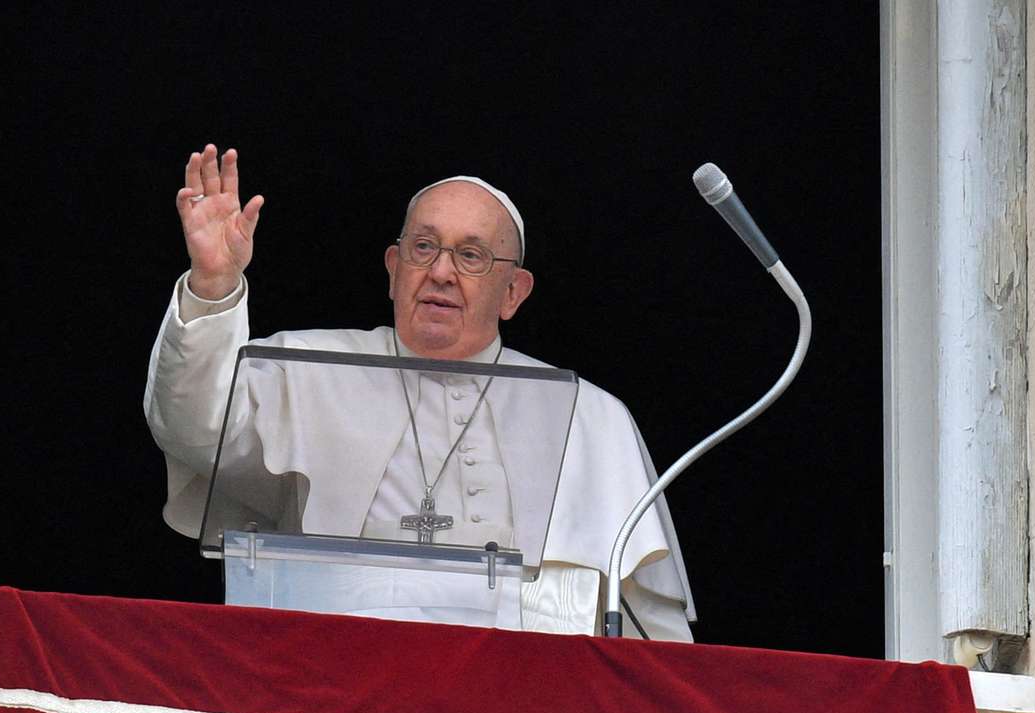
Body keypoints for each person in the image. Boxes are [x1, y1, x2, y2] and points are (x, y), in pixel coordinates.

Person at [145, 144, 695, 640]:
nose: (441, 272)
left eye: (471, 256)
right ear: (393, 269)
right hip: (336, 668)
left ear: (513, 292)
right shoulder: (303, 368)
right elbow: (194, 428)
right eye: (424, 247)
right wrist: (213, 287)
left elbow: (649, 622)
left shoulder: (590, 416)